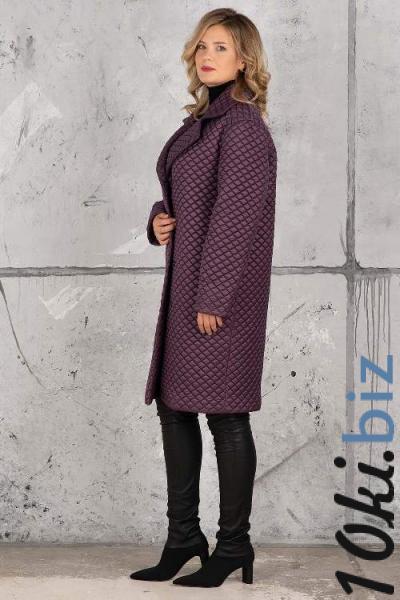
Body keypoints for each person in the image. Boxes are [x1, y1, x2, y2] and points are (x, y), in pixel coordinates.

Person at [130, 8, 277, 588]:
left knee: (226, 414)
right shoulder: (203, 121)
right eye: (201, 46)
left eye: (220, 47)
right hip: (188, 287)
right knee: (175, 406)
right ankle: (184, 538)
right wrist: (158, 220)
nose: (206, 56)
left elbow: (235, 219)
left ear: (244, 58)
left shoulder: (242, 126)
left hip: (219, 297)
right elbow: (186, 194)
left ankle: (234, 545)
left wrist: (213, 296)